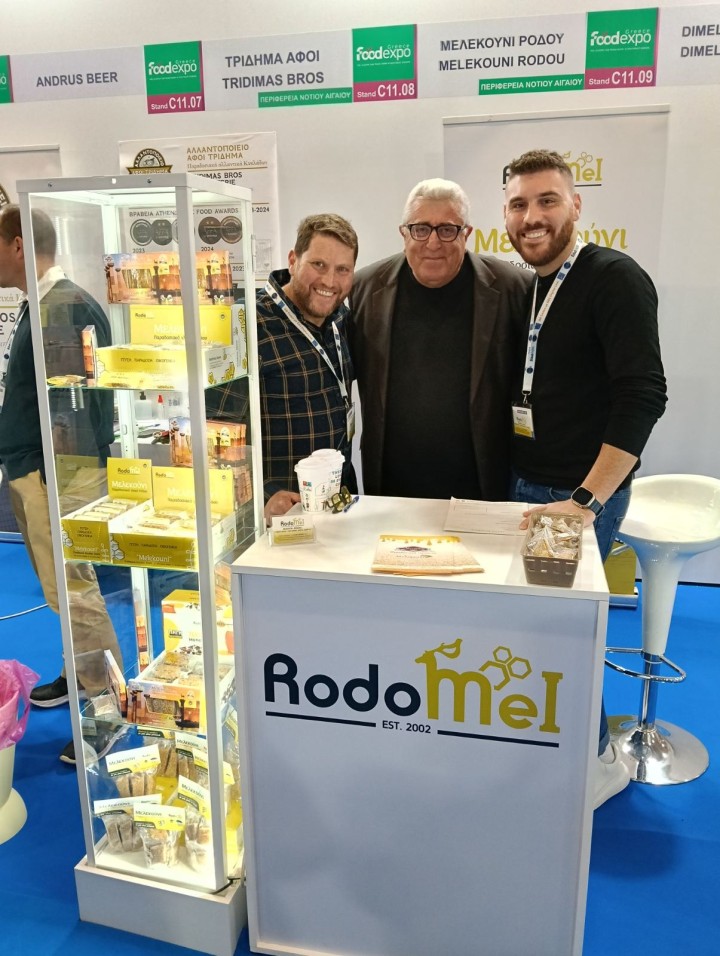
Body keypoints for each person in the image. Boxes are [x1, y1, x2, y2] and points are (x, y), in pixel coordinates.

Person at [503, 149, 668, 807]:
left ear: (575, 205)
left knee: (564, 638)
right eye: (518, 204)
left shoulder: (614, 278)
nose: (532, 216)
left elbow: (643, 395)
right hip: (528, 487)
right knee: (538, 636)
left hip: (571, 499)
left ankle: (599, 764)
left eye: (547, 200)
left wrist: (585, 500)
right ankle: (558, 750)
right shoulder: (530, 285)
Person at [0, 203, 124, 764]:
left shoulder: (64, 307)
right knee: (63, 592)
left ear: (18, 245)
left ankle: (108, 710)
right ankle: (80, 673)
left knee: (77, 594)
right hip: (40, 472)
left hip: (59, 476)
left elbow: (78, 408)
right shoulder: (44, 303)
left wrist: (59, 486)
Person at [349, 178, 532, 501]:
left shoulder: (514, 288)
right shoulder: (364, 288)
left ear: (466, 234)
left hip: (483, 486)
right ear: (404, 233)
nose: (433, 243)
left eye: (447, 229)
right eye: (420, 229)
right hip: (392, 488)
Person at [208, 213, 358, 520]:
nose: (330, 281)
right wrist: (261, 499)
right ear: (293, 260)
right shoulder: (246, 327)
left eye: (342, 269)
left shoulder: (340, 320)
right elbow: (213, 434)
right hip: (278, 517)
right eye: (319, 265)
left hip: (335, 507)